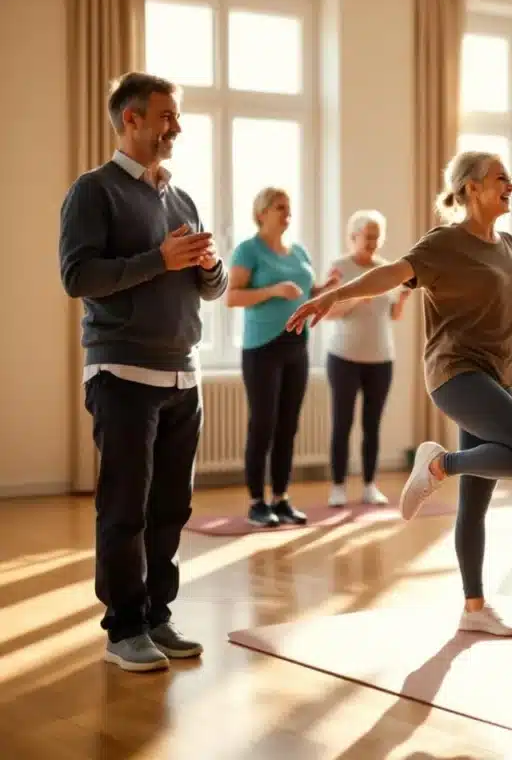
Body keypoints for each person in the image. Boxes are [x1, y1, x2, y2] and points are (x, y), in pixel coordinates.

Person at [286, 150, 512, 636]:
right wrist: (332, 295)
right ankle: (440, 464)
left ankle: (473, 606)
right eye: (502, 178)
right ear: (472, 188)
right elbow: (389, 274)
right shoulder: (444, 244)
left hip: (499, 380)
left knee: (475, 505)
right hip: (456, 374)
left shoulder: (511, 247)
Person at [59, 71, 227, 672]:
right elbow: (79, 277)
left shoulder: (180, 198)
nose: (175, 127)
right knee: (125, 508)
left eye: (176, 117)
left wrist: (208, 267)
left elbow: (211, 286)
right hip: (122, 372)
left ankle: (158, 615)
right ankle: (123, 629)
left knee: (171, 507)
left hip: (183, 374)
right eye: (166, 116)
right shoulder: (93, 191)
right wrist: (157, 260)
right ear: (131, 119)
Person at [227, 187, 335, 527]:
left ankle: (282, 498)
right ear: (261, 213)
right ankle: (257, 502)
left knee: (288, 426)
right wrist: (273, 290)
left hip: (296, 345)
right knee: (263, 424)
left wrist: (324, 289)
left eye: (289, 207)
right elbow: (231, 297)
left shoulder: (299, 251)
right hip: (261, 348)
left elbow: (306, 293)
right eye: (279, 207)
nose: (287, 213)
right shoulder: (248, 250)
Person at [324, 210, 411, 508]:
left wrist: (401, 300)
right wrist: (358, 297)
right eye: (367, 236)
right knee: (342, 423)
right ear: (353, 237)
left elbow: (392, 316)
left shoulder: (386, 270)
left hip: (381, 359)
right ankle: (337, 486)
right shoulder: (339, 267)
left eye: (377, 236)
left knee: (372, 425)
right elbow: (329, 312)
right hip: (344, 357)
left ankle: (369, 485)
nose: (373, 241)